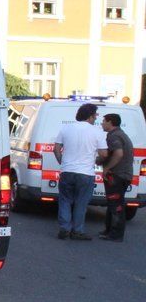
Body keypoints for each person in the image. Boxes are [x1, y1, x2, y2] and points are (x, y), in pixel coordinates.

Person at [54, 103, 108, 240]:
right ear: (90, 116)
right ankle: (77, 231)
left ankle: (64, 228)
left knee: (65, 200)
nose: (96, 118)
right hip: (85, 173)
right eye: (95, 116)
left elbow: (56, 149)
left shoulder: (66, 128)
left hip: (67, 171)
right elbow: (104, 154)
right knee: (81, 203)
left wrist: (62, 162)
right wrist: (96, 160)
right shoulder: (97, 132)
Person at [99, 113, 134, 241]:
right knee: (113, 203)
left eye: (104, 121)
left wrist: (106, 168)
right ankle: (109, 230)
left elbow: (118, 154)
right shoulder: (120, 134)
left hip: (117, 176)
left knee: (116, 205)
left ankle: (116, 234)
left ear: (110, 122)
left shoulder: (114, 136)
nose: (102, 123)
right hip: (122, 175)